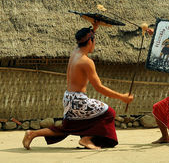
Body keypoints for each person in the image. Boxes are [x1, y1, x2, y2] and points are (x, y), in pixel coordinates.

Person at [22, 21, 134, 150]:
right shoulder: (86, 62)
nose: (94, 44)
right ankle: (87, 138)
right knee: (109, 113)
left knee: (67, 127)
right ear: (91, 42)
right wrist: (122, 97)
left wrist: (94, 29)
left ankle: (32, 134)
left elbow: (84, 40)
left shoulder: (75, 53)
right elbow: (99, 87)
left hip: (68, 98)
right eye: (94, 41)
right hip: (78, 101)